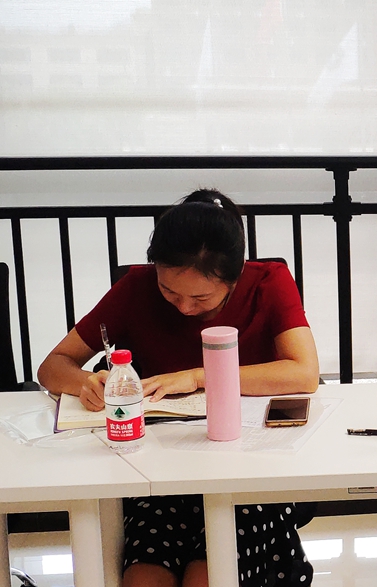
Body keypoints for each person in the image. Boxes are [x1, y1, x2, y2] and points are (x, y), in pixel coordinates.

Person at [38, 189, 320, 587]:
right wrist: (88, 382)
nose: (184, 308)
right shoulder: (137, 287)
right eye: (169, 291)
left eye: (201, 297)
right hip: (158, 468)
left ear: (234, 278)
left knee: (207, 575)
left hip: (251, 468)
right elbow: (53, 365)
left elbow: (304, 373)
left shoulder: (268, 283)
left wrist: (200, 375)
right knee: (143, 578)